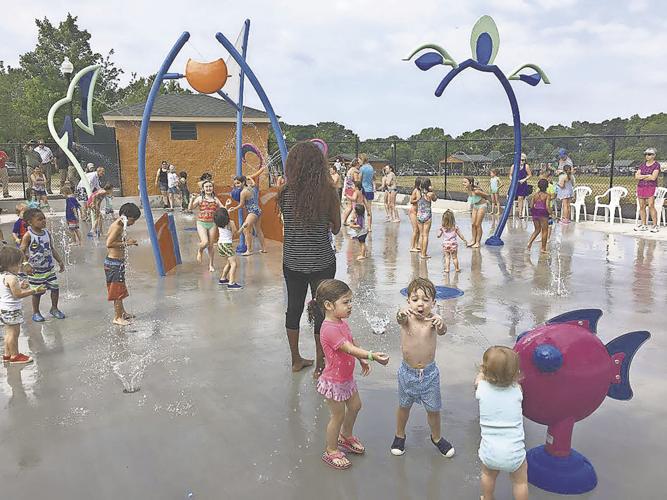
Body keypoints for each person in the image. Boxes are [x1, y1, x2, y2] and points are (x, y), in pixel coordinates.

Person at [307, 279, 389, 470]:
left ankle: (346, 436)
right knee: (338, 416)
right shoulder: (328, 329)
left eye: (350, 301)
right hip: (334, 381)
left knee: (355, 406)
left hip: (346, 378)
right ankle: (331, 449)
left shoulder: (341, 322)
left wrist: (362, 360)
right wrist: (371, 356)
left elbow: (352, 341)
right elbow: (347, 348)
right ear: (328, 305)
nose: (350, 306)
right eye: (346, 302)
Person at [278, 141, 341, 375]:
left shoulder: (284, 193)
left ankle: (296, 360)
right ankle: (320, 364)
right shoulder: (328, 193)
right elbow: (336, 228)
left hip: (292, 261)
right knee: (321, 312)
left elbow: (291, 223)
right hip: (321, 262)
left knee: (293, 309)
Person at [391, 277, 454, 458]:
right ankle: (399, 435)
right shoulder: (406, 318)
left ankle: (436, 437)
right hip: (407, 374)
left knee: (433, 410)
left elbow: (442, 331)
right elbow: (399, 318)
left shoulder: (434, 320)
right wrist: (402, 313)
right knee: (404, 407)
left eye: (426, 300)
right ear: (408, 301)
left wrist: (442, 324)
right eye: (415, 299)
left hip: (429, 374)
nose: (420, 304)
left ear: (433, 303)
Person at [475, 346, 528, 500]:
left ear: (484, 370)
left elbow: (478, 381)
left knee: (488, 475)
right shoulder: (517, 390)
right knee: (520, 482)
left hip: (490, 451)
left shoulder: (482, 388)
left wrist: (482, 372)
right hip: (514, 452)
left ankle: (487, 497)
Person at [0, 246, 46, 364]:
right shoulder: (12, 278)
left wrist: (21, 285)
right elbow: (17, 294)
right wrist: (34, 290)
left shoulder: (3, 276)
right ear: (10, 264)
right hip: (12, 310)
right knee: (14, 333)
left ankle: (7, 354)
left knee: (8, 333)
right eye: (18, 264)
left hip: (4, 309)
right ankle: (15, 355)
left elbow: (9, 290)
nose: (20, 267)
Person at [20, 208, 65, 322]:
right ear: (30, 222)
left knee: (55, 288)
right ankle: (36, 312)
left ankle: (54, 308)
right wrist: (26, 264)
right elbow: (22, 251)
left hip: (49, 268)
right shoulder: (28, 235)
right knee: (37, 292)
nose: (43, 221)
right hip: (35, 270)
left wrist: (59, 261)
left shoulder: (47, 233)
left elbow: (52, 248)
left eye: (44, 218)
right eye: (40, 219)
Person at [105, 203, 141, 325]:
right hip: (113, 263)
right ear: (126, 216)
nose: (133, 223)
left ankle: (123, 313)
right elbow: (109, 244)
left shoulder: (120, 224)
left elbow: (115, 240)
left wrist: (127, 241)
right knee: (117, 291)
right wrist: (127, 243)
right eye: (133, 220)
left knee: (120, 288)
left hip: (116, 263)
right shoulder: (117, 226)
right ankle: (117, 317)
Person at [228, 167, 267, 256]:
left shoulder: (243, 192)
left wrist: (234, 208)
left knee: (246, 229)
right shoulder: (249, 187)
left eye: (238, 183)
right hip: (257, 210)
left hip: (252, 212)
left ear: (242, 182)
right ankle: (264, 248)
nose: (236, 185)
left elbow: (241, 205)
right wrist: (250, 179)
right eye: (235, 184)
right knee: (258, 230)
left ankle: (249, 250)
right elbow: (254, 184)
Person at [191, 180, 223, 272]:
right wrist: (192, 199)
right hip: (201, 222)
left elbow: (222, 207)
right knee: (205, 242)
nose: (208, 188)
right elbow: (191, 208)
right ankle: (200, 250)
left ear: (213, 188)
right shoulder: (200, 198)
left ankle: (211, 264)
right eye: (206, 187)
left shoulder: (215, 199)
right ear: (203, 189)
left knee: (211, 245)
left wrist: (227, 206)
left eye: (210, 186)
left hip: (212, 223)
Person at [214, 205, 242, 290]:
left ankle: (223, 279)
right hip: (227, 245)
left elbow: (222, 216)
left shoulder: (219, 222)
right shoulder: (231, 222)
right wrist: (243, 227)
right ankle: (231, 283)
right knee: (234, 264)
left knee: (229, 263)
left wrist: (227, 207)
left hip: (220, 244)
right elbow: (236, 234)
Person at [635, 147, 661, 232]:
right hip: (641, 187)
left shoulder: (656, 165)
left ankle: (655, 225)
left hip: (651, 187)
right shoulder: (642, 165)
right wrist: (647, 176)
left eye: (649, 154)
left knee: (651, 206)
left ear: (654, 155)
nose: (647, 156)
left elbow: (653, 178)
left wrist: (642, 176)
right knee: (642, 206)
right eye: (646, 154)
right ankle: (643, 225)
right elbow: (636, 176)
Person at [527, 179, 552, 253]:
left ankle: (529, 243)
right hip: (543, 213)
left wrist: (533, 212)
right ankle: (543, 248)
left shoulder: (535, 195)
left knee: (537, 229)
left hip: (535, 212)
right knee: (545, 231)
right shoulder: (547, 195)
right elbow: (547, 206)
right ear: (547, 186)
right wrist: (551, 213)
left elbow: (531, 205)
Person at [416, 177, 437, 259]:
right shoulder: (430, 194)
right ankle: (423, 254)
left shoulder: (418, 192)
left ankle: (421, 252)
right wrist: (432, 190)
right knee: (425, 235)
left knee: (421, 235)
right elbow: (435, 199)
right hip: (427, 216)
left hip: (419, 215)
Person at [464, 176, 488, 248]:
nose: (463, 183)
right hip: (475, 206)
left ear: (470, 183)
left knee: (478, 224)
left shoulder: (476, 191)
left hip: (482, 206)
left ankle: (478, 242)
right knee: (473, 224)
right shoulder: (468, 189)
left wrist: (487, 199)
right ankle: (473, 240)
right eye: (463, 182)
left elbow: (487, 195)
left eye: (465, 182)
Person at [509, 153, 531, 218]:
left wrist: (524, 179)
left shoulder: (526, 166)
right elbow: (510, 174)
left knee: (520, 198)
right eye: (520, 160)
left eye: (523, 160)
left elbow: (529, 175)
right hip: (514, 184)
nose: (521, 161)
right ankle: (509, 212)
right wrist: (512, 179)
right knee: (510, 197)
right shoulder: (514, 166)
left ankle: (520, 213)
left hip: (522, 184)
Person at [358, 154, 375, 231]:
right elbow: (373, 179)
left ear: (362, 159)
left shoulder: (362, 168)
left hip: (363, 190)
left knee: (361, 208)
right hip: (370, 190)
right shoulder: (371, 168)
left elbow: (360, 180)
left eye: (359, 160)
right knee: (369, 209)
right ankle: (370, 227)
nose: (358, 161)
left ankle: (362, 224)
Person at [341, 160, 360, 226]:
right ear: (357, 164)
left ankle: (344, 221)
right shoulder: (355, 171)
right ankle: (354, 220)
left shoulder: (349, 170)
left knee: (349, 206)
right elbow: (356, 180)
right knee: (354, 206)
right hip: (352, 189)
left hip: (347, 189)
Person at [408, 177, 422, 252]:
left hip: (418, 211)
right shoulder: (415, 191)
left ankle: (416, 245)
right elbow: (411, 201)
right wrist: (418, 200)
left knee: (419, 230)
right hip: (413, 211)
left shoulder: (420, 191)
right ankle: (412, 246)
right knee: (415, 229)